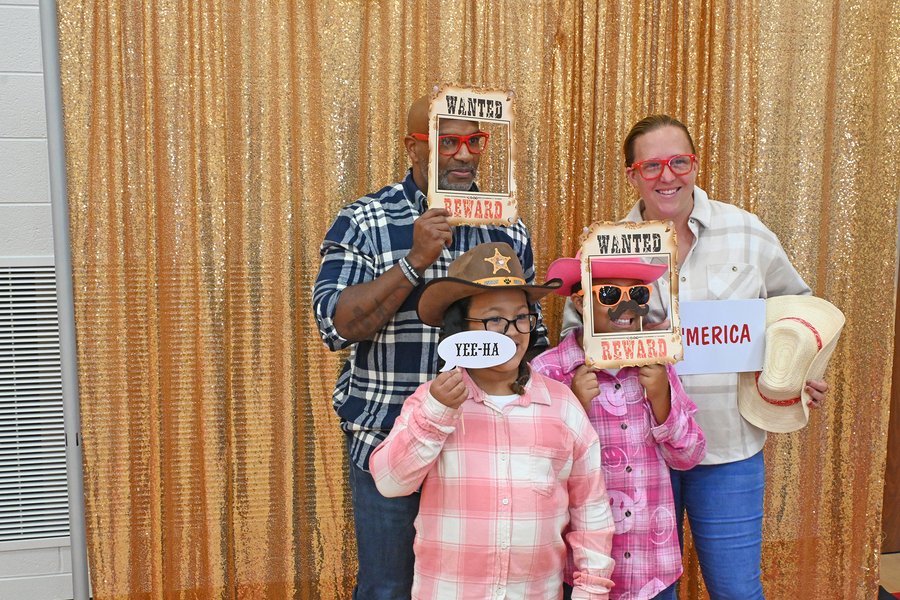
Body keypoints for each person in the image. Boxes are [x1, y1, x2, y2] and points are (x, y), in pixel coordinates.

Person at [562, 114, 827, 599]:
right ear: (633, 175)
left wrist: (801, 368)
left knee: (736, 591)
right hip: (635, 454)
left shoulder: (746, 232)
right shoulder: (604, 248)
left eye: (679, 161)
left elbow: (796, 312)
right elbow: (574, 337)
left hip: (728, 446)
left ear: (694, 164)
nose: (668, 176)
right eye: (652, 166)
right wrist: (578, 379)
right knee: (647, 591)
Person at [312, 96, 546, 599]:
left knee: (476, 587)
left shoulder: (507, 226)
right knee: (389, 587)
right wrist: (414, 261)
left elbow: (532, 334)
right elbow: (335, 326)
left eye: (474, 142)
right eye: (447, 142)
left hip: (482, 445)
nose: (463, 155)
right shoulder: (366, 220)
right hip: (389, 437)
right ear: (412, 147)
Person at [369, 242, 615, 600]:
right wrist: (437, 413)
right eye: (494, 319)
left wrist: (591, 591)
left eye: (520, 318)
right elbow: (390, 482)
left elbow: (591, 509)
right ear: (460, 330)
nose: (511, 331)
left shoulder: (562, 406)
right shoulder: (431, 401)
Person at [533, 255, 706, 600]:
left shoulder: (659, 367)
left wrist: (662, 399)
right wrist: (573, 409)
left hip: (652, 568)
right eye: (610, 294)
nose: (627, 305)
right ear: (580, 302)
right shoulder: (549, 372)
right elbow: (535, 472)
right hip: (581, 570)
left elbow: (690, 456)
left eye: (639, 295)